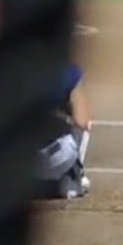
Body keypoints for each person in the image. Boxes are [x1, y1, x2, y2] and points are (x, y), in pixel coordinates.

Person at [35, 63, 93, 200]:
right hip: (56, 158)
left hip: (16, 161)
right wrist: (64, 118)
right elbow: (81, 121)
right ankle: (72, 178)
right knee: (84, 122)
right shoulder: (67, 72)